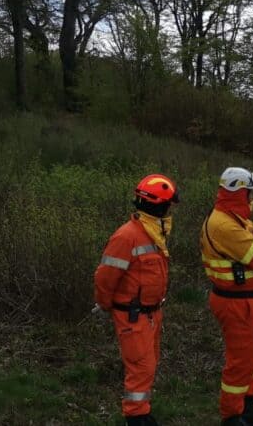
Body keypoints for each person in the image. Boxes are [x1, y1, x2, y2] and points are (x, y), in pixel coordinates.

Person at [94, 174, 179, 426]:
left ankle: (142, 412)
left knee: (148, 365)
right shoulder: (127, 236)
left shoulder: (153, 233)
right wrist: (108, 305)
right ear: (159, 205)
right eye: (168, 205)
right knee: (140, 367)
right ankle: (136, 417)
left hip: (151, 312)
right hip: (132, 314)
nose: (170, 210)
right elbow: (105, 278)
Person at [201, 167, 253, 426]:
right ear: (240, 192)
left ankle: (247, 409)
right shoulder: (224, 224)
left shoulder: (235, 217)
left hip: (246, 301)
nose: (252, 197)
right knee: (240, 362)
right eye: (250, 192)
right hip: (234, 303)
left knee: (252, 358)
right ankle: (232, 416)